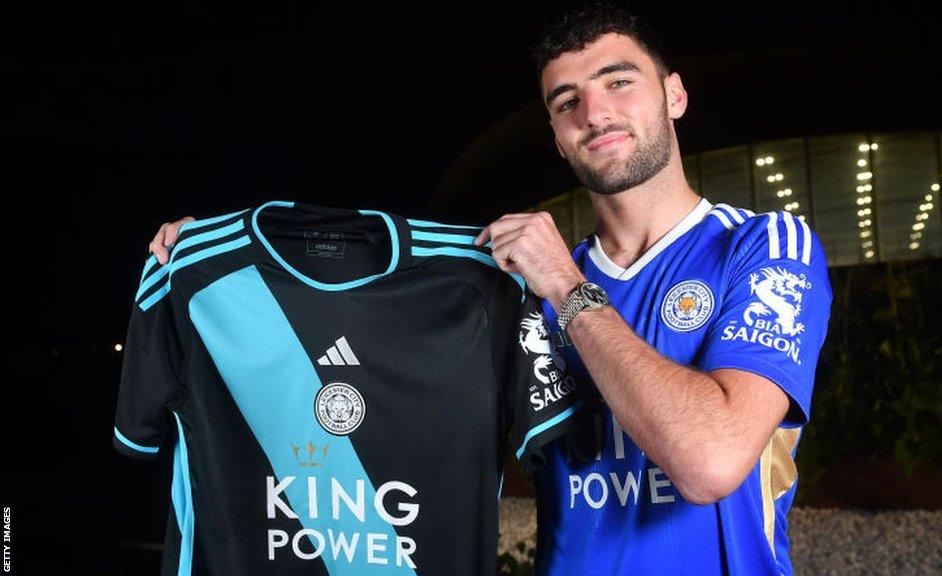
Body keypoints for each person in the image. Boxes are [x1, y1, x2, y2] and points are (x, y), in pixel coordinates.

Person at [148, 6, 831, 574]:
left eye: (619, 82)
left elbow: (709, 461)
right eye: (567, 102)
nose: (595, 113)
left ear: (674, 94)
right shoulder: (514, 289)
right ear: (558, 137)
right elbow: (364, 322)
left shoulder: (763, 248)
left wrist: (567, 285)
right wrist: (217, 255)